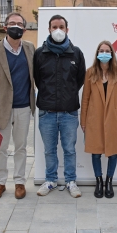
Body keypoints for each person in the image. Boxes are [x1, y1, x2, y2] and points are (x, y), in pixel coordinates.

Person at [0, 12, 35, 200]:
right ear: (5, 27)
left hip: (23, 107)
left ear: (24, 29)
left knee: (21, 147)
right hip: (0, 109)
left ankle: (19, 182)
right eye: (13, 23)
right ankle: (0, 183)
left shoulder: (29, 48)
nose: (16, 27)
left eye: (20, 24)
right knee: (1, 148)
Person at [33, 15, 86, 198]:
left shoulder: (76, 53)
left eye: (61, 26)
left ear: (67, 29)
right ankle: (50, 180)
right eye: (54, 26)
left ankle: (71, 180)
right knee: (49, 150)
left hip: (69, 112)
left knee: (69, 149)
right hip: (46, 112)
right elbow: (38, 80)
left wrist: (67, 96)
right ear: (49, 29)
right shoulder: (40, 53)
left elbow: (79, 80)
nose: (58, 30)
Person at [80, 41, 117, 199]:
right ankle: (98, 181)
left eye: (107, 50)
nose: (104, 53)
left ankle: (109, 181)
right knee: (95, 153)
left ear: (112, 53)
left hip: (114, 119)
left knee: (113, 153)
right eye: (101, 50)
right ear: (97, 53)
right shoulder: (90, 73)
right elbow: (85, 98)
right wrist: (83, 120)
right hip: (94, 118)